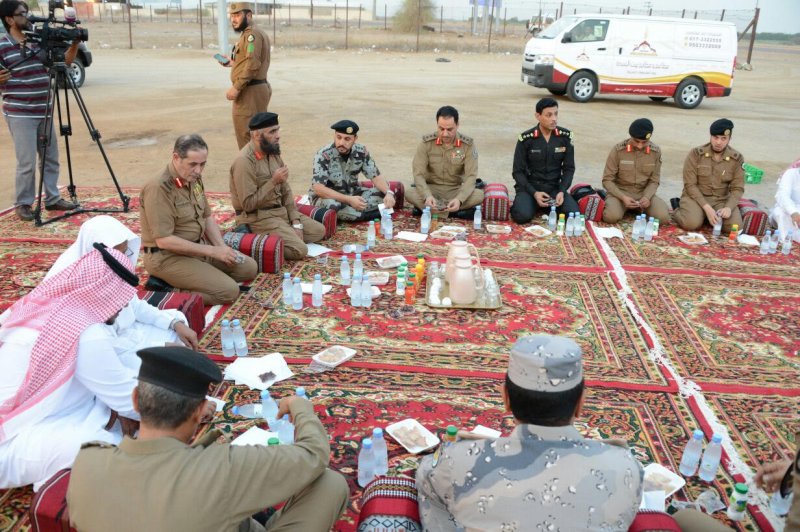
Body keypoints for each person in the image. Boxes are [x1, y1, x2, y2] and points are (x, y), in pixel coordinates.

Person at [68, 346, 350, 532]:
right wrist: (301, 408)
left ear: (134, 400)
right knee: (330, 483)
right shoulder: (221, 469)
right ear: (200, 412)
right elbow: (314, 455)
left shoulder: (87, 462)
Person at [416, 335, 643, 529]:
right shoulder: (624, 468)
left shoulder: (457, 461)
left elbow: (426, 478)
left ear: (505, 398)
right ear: (581, 403)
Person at [0, 245, 140, 490]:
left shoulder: (45, 306)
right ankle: (52, 492)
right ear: (103, 291)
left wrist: (117, 405)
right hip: (10, 440)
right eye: (121, 295)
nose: (124, 305)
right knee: (104, 450)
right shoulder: (85, 331)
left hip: (35, 415)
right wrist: (191, 407)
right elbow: (131, 402)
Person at [43, 215, 199, 369]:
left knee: (176, 331)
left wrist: (174, 323)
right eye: (116, 254)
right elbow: (99, 344)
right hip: (101, 350)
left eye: (124, 252)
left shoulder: (109, 268)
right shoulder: (72, 282)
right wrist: (158, 347)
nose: (121, 259)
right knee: (160, 363)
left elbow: (134, 305)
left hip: (126, 336)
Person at [139, 134, 258, 306]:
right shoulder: (159, 188)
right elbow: (164, 240)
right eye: (193, 164)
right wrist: (212, 251)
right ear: (176, 157)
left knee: (248, 268)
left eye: (202, 164)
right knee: (229, 292)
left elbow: (206, 217)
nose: (198, 170)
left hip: (198, 248)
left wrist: (221, 248)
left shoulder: (193, 178)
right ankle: (166, 288)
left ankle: (200, 275)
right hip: (168, 257)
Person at [0, 0, 78, 221]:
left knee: (50, 157)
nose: (28, 16)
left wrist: (75, 42)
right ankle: (24, 203)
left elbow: (64, 62)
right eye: (22, 13)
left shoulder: (37, 42)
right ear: (9, 19)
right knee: (27, 163)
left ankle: (52, 198)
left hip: (44, 109)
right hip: (20, 113)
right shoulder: (2, 45)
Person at [230, 112, 325, 260]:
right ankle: (251, 241)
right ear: (256, 135)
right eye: (272, 132)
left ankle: (277, 236)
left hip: (279, 212)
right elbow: (247, 205)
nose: (278, 136)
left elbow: (286, 190)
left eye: (278, 130)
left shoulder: (272, 152)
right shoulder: (244, 161)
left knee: (319, 231)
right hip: (258, 218)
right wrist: (273, 182)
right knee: (299, 250)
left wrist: (295, 221)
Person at [309, 119, 396, 222]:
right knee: (333, 205)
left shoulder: (361, 152)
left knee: (384, 193)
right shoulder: (323, 155)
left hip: (352, 193)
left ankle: (353, 212)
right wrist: (349, 200)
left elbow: (375, 176)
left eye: (347, 139)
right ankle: (366, 215)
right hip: (329, 197)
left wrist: (388, 193)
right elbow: (318, 189)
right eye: (338, 137)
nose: (341, 142)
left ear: (355, 138)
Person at [407, 106, 484, 218]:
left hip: (455, 189)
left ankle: (429, 210)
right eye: (441, 129)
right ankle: (453, 212)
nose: (445, 134)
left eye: (449, 129)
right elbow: (418, 174)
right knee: (409, 193)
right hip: (432, 189)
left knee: (479, 195)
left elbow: (471, 177)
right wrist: (427, 196)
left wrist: (459, 199)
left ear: (457, 125)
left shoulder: (467, 145)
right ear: (437, 124)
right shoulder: (426, 143)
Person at [511, 97, 578, 224]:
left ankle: (545, 206)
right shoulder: (526, 139)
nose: (554, 119)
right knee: (521, 215)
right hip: (530, 188)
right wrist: (534, 193)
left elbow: (569, 168)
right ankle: (534, 204)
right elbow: (517, 172)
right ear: (538, 116)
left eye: (556, 114)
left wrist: (562, 191)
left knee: (573, 215)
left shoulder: (565, 137)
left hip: (554, 188)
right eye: (549, 115)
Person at [672, 118, 745, 233]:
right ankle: (678, 209)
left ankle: (704, 217)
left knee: (735, 227)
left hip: (720, 200)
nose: (718, 142)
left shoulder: (737, 158)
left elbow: (738, 188)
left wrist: (728, 207)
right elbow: (690, 185)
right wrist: (707, 207)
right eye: (715, 137)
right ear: (710, 136)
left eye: (723, 138)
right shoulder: (696, 154)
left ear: (729, 139)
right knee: (691, 224)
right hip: (696, 198)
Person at [222, 2, 271, 150]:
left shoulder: (252, 35)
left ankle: (251, 165)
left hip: (249, 92)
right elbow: (249, 61)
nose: (233, 19)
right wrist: (234, 63)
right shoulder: (250, 33)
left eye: (237, 15)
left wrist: (236, 87)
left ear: (248, 15)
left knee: (248, 139)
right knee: (255, 137)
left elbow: (253, 64)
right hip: (253, 89)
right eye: (232, 16)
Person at [601, 118, 670, 224]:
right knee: (610, 217)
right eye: (636, 141)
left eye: (644, 142)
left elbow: (654, 180)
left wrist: (647, 197)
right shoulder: (618, 150)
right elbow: (607, 180)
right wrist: (623, 197)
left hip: (643, 193)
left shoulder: (655, 152)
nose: (639, 145)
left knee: (663, 217)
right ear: (631, 136)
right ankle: (625, 208)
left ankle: (638, 208)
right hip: (621, 193)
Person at [770, 158, 800, 243]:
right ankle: (786, 243)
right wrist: (793, 212)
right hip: (787, 210)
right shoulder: (791, 174)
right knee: (782, 214)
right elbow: (783, 196)